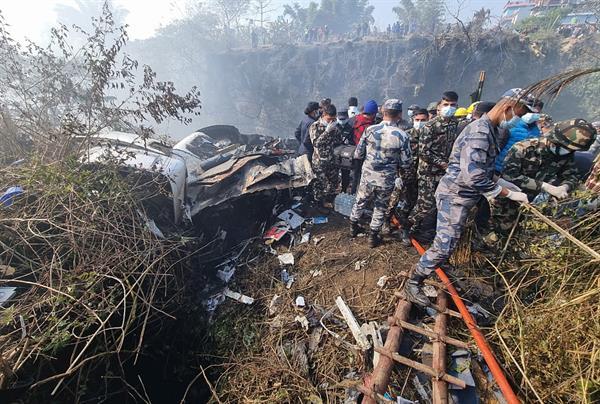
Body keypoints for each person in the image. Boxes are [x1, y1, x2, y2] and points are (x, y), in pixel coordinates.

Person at [404, 92, 533, 307]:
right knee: (445, 244)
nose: (517, 120)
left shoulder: (489, 130)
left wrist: (505, 184)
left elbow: (484, 169)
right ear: (507, 108)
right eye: (518, 114)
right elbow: (474, 176)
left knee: (448, 240)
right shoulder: (480, 133)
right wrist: (508, 194)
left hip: (463, 195)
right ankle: (414, 281)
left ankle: (435, 264)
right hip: (455, 195)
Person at [492, 119, 597, 233]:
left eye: (571, 150)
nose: (568, 152)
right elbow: (509, 176)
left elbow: (571, 176)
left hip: (530, 205)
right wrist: (545, 186)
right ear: (555, 140)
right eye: (566, 148)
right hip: (505, 200)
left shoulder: (566, 157)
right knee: (495, 232)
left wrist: (565, 187)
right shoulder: (524, 148)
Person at [349, 99, 412, 248]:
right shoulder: (402, 135)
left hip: (368, 176)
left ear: (382, 112)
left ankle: (353, 228)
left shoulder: (370, 130)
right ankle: (372, 237)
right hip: (386, 179)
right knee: (380, 206)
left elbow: (358, 154)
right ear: (400, 114)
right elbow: (406, 163)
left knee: (360, 200)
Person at [409, 91, 460, 243]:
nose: (449, 108)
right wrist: (443, 163)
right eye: (446, 105)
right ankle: (409, 227)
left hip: (446, 173)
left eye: (452, 105)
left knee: (440, 205)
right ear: (439, 106)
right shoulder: (430, 127)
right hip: (428, 173)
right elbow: (424, 152)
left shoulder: (455, 125)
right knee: (425, 205)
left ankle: (428, 231)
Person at [383, 108, 428, 243]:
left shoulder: (430, 135)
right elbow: (394, 156)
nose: (420, 123)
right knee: (393, 200)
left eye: (423, 120)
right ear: (413, 120)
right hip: (403, 174)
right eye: (417, 120)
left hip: (421, 176)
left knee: (411, 202)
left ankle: (405, 228)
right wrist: (396, 174)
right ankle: (386, 220)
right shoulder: (405, 136)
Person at [495, 96, 543, 173]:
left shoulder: (537, 132)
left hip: (512, 171)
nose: (531, 114)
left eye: (535, 112)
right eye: (529, 111)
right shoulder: (511, 124)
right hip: (496, 167)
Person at [310, 104, 343, 208]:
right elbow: (316, 143)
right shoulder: (315, 126)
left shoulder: (334, 126)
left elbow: (339, 141)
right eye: (329, 119)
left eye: (333, 119)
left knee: (333, 182)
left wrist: (336, 130)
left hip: (332, 160)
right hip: (319, 161)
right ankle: (319, 204)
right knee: (320, 184)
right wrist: (327, 131)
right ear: (324, 115)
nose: (331, 121)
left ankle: (330, 201)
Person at [351, 100, 378, 194]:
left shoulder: (355, 119)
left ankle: (352, 193)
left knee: (355, 176)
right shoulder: (371, 126)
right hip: (365, 155)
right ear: (373, 113)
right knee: (363, 177)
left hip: (354, 152)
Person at [336, 110, 355, 192]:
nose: (342, 121)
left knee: (345, 174)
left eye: (343, 119)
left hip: (345, 155)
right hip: (335, 154)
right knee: (333, 173)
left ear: (347, 118)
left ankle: (343, 189)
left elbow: (353, 141)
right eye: (340, 119)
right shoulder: (334, 127)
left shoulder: (351, 128)